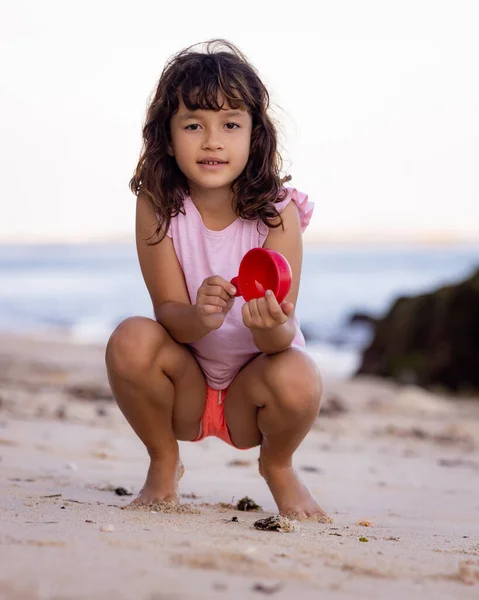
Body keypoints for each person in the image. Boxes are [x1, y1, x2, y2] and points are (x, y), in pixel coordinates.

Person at [105, 39, 328, 521]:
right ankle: (164, 461)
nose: (212, 141)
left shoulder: (278, 215)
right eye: (193, 125)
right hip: (184, 388)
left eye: (230, 124)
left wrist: (268, 325)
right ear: (167, 136)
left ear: (254, 135)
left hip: (253, 397)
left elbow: (282, 338)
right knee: (130, 339)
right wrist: (201, 317)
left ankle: (279, 465)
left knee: (300, 375)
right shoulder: (157, 204)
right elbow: (168, 313)